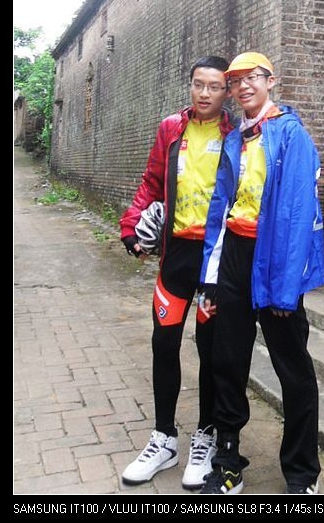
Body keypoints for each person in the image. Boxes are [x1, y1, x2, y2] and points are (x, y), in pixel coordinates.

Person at [199, 52, 324, 495]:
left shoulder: (291, 135)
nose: (243, 86)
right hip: (235, 255)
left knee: (293, 369)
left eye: (252, 77)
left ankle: (302, 475)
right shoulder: (235, 139)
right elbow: (219, 209)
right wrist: (211, 278)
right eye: (236, 81)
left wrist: (286, 288)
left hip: (274, 257)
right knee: (227, 361)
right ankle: (227, 462)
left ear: (271, 81)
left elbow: (297, 213)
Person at [119, 55, 235, 490]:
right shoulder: (171, 128)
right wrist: (131, 226)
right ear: (190, 85)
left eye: (214, 86)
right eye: (198, 84)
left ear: (226, 92)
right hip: (176, 257)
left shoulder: (235, 134)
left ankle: (205, 438)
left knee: (210, 350)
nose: (205, 93)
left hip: (213, 262)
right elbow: (151, 182)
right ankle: (164, 438)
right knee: (164, 344)